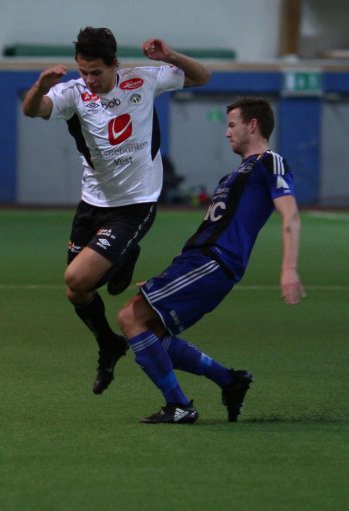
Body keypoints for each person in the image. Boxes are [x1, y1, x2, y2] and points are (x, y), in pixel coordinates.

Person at [22, 27, 211, 395]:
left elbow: (203, 77)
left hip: (136, 204)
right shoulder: (73, 93)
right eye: (83, 71)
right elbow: (33, 110)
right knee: (77, 293)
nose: (89, 80)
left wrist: (170, 55)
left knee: (77, 279)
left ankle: (124, 255)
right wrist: (40, 86)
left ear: (115, 65)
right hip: (92, 205)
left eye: (96, 72)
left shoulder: (142, 79)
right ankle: (108, 344)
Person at [116, 97, 306, 424]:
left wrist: (289, 268)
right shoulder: (234, 175)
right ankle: (229, 381)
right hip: (196, 261)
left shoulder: (269, 162)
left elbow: (290, 215)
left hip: (214, 262)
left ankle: (179, 406)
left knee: (130, 318)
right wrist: (169, 277)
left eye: (232, 124)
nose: (226, 132)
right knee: (150, 330)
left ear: (253, 125)